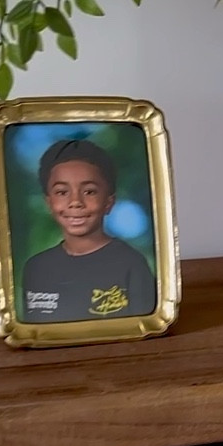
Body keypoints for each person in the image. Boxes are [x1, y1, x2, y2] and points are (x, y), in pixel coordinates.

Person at [21, 136, 156, 322]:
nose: (75, 202)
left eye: (89, 191)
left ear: (109, 202)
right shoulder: (36, 269)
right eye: (62, 192)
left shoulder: (131, 264)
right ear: (49, 202)